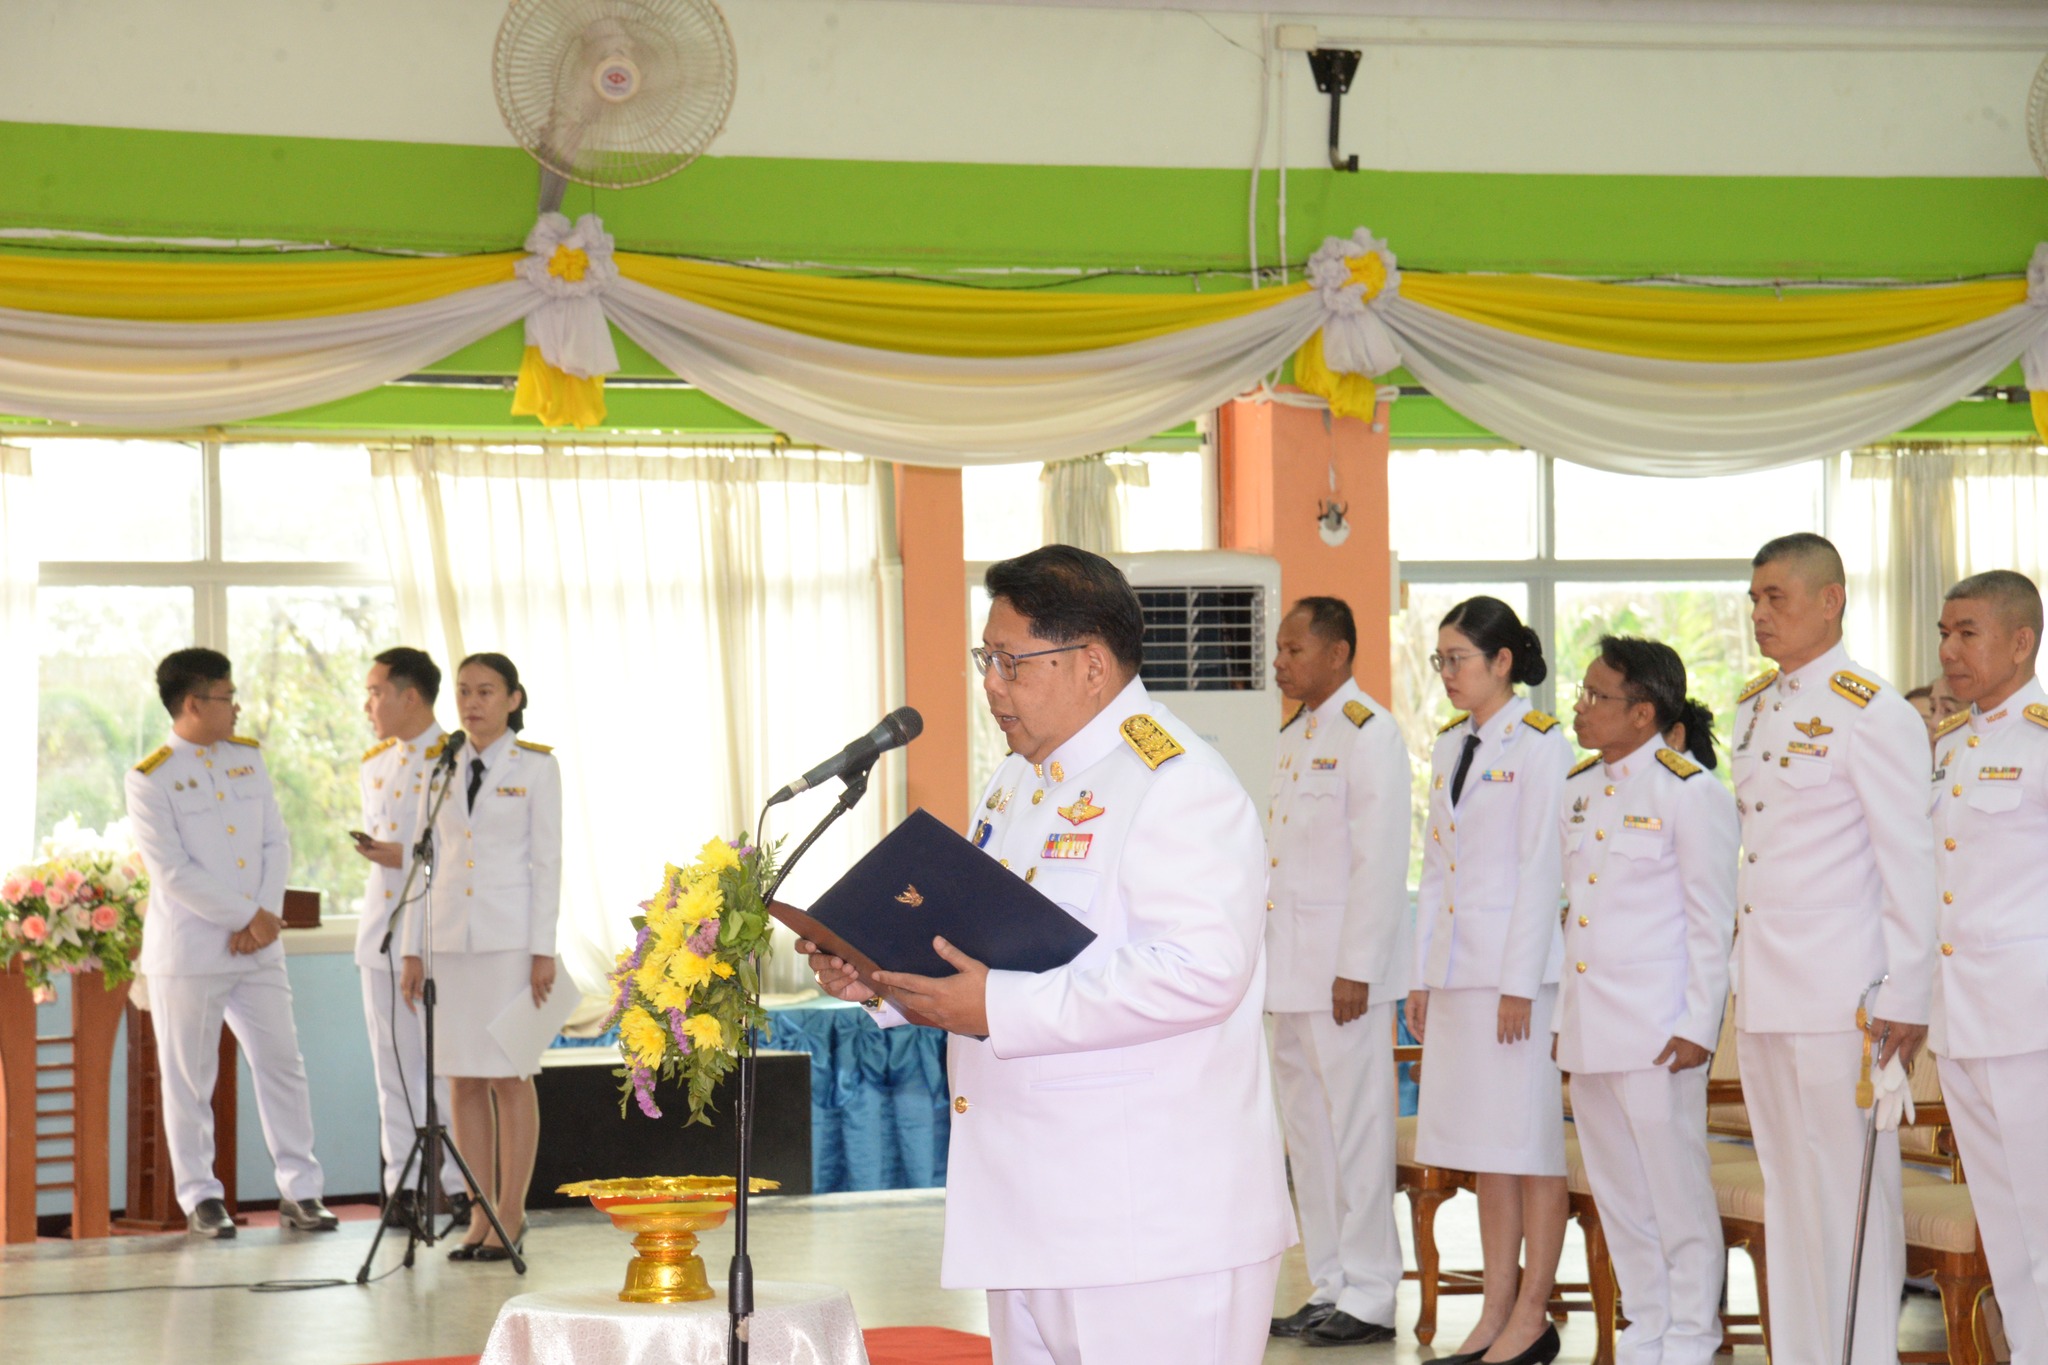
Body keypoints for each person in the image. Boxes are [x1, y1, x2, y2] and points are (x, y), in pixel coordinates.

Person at [800, 545, 1294, 1365]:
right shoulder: (1019, 784)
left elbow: (1201, 970)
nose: (990, 684)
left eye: (1009, 662)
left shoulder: (1176, 783)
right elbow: (987, 940)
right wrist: (879, 977)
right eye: (985, 659)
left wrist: (997, 1006)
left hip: (1148, 1226)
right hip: (1033, 1209)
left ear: (1091, 665)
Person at [1732, 532, 1937, 1365]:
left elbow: (1909, 860)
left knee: (1853, 1201)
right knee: (1789, 1196)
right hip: (1768, 992)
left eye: (1776, 597)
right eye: (1754, 599)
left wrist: (1906, 994)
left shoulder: (1874, 711)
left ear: (1831, 599)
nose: (1759, 614)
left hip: (1842, 1000)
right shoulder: (1755, 707)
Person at [1556, 637, 1737, 1365]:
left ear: (1642, 712)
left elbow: (1710, 919)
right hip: (1593, 1031)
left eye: (1598, 697)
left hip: (1660, 1032)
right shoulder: (1577, 788)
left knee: (1677, 1196)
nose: (1581, 707)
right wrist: (1564, 1020)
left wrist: (1698, 1024)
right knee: (1621, 1199)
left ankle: (1692, 1336)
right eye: (1584, 692)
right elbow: (1575, 915)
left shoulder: (1690, 791)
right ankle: (1647, 1332)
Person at [1405, 595, 1569, 1365]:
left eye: (1458, 658)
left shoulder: (1542, 744)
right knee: (1487, 1148)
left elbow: (1543, 869)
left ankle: (1534, 1309)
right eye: (1440, 659)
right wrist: (1423, 976)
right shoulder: (1448, 749)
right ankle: (1495, 1309)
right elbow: (1438, 868)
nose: (1446, 673)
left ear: (1502, 662)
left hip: (1518, 980)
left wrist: (1519, 980)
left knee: (1531, 1146)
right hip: (1462, 974)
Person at [123, 648, 337, 1238]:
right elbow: (173, 872)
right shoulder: (151, 777)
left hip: (258, 948)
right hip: (191, 951)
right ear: (193, 703)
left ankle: (302, 1190)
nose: (236, 707)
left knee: (282, 1064)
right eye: (226, 696)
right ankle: (200, 1196)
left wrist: (264, 918)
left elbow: (275, 841)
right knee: (190, 1079)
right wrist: (249, 915)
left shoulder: (248, 760)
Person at [1262, 596, 1411, 1347]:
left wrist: (1357, 966)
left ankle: (1374, 1291)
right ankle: (1330, 1282)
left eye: (1293, 649)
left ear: (1338, 653)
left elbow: (1379, 861)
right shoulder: (1296, 736)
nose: (1279, 661)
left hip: (1341, 978)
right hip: (1290, 974)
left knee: (1357, 1132)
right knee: (1309, 1139)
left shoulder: (1369, 734)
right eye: (1279, 649)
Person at [399, 652, 562, 1263]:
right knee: (462, 1077)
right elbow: (424, 862)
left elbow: (547, 862)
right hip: (449, 941)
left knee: (509, 1075)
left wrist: (542, 949)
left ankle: (511, 1212)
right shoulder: (439, 763)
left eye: (486, 691)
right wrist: (414, 948)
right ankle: (477, 1211)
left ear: (513, 699)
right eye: (465, 691)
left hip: (509, 942)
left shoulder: (537, 768)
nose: (472, 702)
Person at [1928, 570, 2048, 1362]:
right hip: (1962, 1019)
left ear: (2021, 641)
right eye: (1945, 631)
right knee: (2006, 1233)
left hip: (2030, 1018)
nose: (1949, 649)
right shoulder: (1950, 747)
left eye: (1968, 632)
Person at [353, 646, 467, 1230]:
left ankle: (454, 1185)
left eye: (377, 691)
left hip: (438, 932)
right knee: (392, 1066)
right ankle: (404, 1185)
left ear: (410, 696)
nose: (369, 703)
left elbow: (465, 852)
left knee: (445, 1065)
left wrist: (405, 855)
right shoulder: (375, 764)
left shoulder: (456, 758)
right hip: (384, 930)